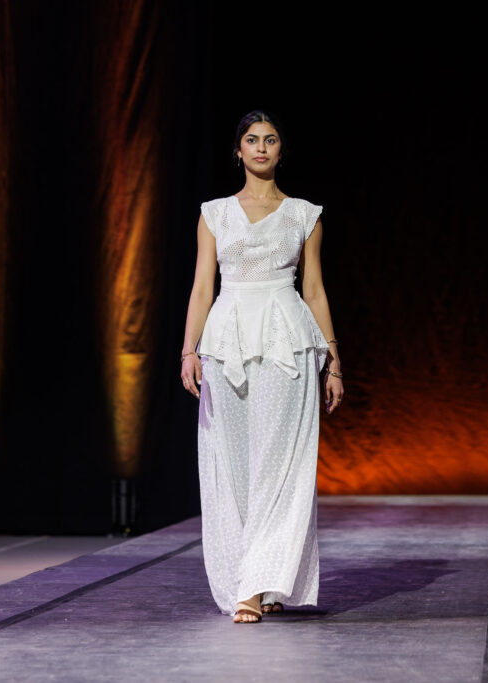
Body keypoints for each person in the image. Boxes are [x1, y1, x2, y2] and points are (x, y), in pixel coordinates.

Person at [180, 110, 344, 623]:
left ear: (280, 150)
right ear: (238, 150)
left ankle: (256, 584)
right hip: (226, 340)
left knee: (279, 466)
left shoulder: (303, 215)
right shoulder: (214, 214)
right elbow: (203, 286)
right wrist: (188, 350)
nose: (260, 148)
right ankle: (256, 577)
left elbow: (313, 289)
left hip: (287, 344)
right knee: (233, 465)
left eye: (270, 140)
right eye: (251, 140)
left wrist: (333, 361)